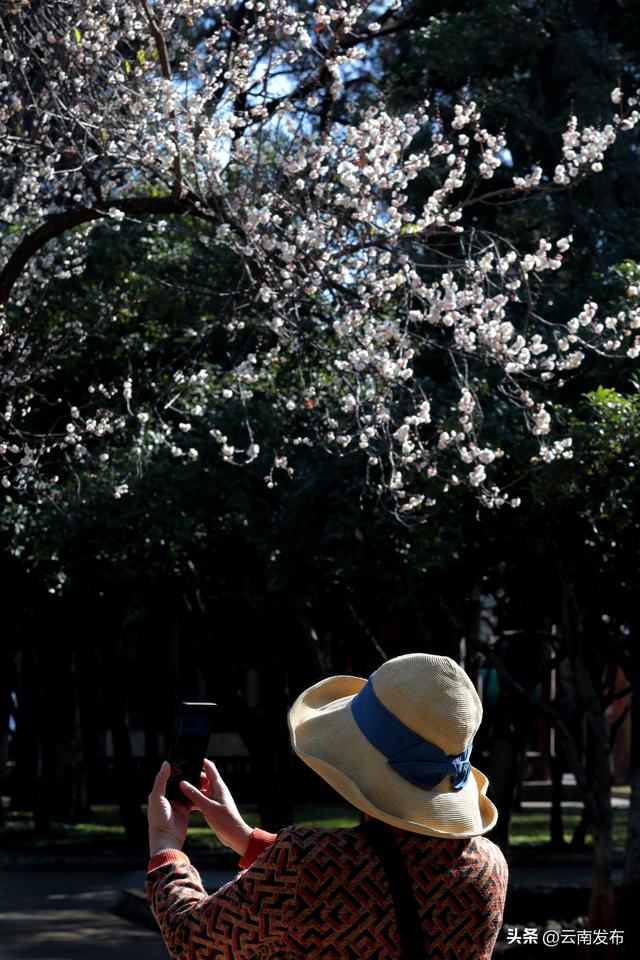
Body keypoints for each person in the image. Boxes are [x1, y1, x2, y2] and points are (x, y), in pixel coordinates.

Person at [146, 652, 508, 958]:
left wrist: (166, 846)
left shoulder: (304, 864)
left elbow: (190, 939)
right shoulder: (491, 869)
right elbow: (392, 868)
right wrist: (244, 837)